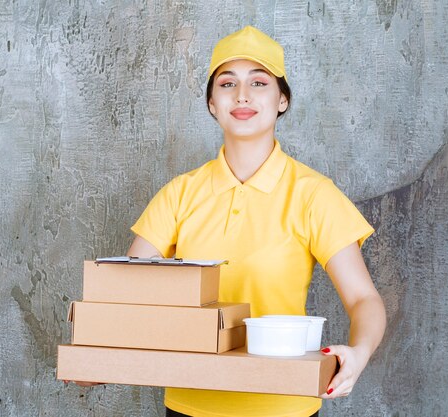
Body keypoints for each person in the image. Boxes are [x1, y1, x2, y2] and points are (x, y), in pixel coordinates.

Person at [125, 26, 387, 417]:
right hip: (191, 403)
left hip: (283, 407)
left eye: (259, 82)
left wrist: (360, 352)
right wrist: (96, 352)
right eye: (227, 83)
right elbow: (125, 295)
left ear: (282, 100)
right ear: (212, 103)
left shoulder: (313, 194)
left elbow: (364, 299)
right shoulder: (179, 194)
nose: (242, 95)